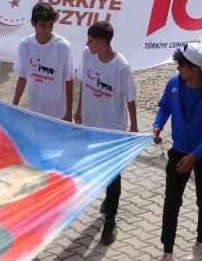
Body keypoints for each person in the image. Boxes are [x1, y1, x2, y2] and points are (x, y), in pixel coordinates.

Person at [153, 44, 202, 261]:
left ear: (194, 68)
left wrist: (194, 156)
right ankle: (167, 251)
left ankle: (200, 243)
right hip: (178, 152)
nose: (177, 69)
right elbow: (165, 106)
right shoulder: (174, 84)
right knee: (171, 201)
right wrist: (158, 125)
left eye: (181, 66)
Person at [75, 21, 138, 245]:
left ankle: (110, 221)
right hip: (92, 126)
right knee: (97, 169)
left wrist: (134, 127)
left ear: (102, 44)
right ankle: (108, 201)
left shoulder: (121, 67)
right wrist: (79, 107)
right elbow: (83, 83)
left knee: (113, 175)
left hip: (112, 129)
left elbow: (130, 98)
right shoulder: (87, 54)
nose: (86, 43)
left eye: (90, 40)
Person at [12, 2, 74, 121]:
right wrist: (14, 105)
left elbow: (69, 80)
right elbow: (22, 77)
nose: (47, 30)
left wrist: (69, 113)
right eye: (43, 25)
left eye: (51, 25)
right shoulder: (25, 44)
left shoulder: (63, 46)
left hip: (57, 114)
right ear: (33, 23)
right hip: (34, 111)